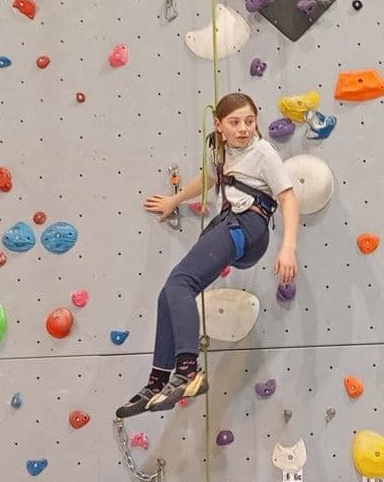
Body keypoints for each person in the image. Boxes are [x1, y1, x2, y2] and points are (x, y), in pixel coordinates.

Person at [118, 92, 300, 418]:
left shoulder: (263, 152)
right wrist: (176, 201)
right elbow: (212, 178)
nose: (243, 128)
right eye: (234, 122)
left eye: (249, 121)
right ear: (219, 125)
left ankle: (187, 370)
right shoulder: (224, 152)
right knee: (168, 294)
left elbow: (288, 198)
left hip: (247, 224)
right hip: (232, 227)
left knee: (180, 284)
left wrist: (288, 248)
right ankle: (158, 379)